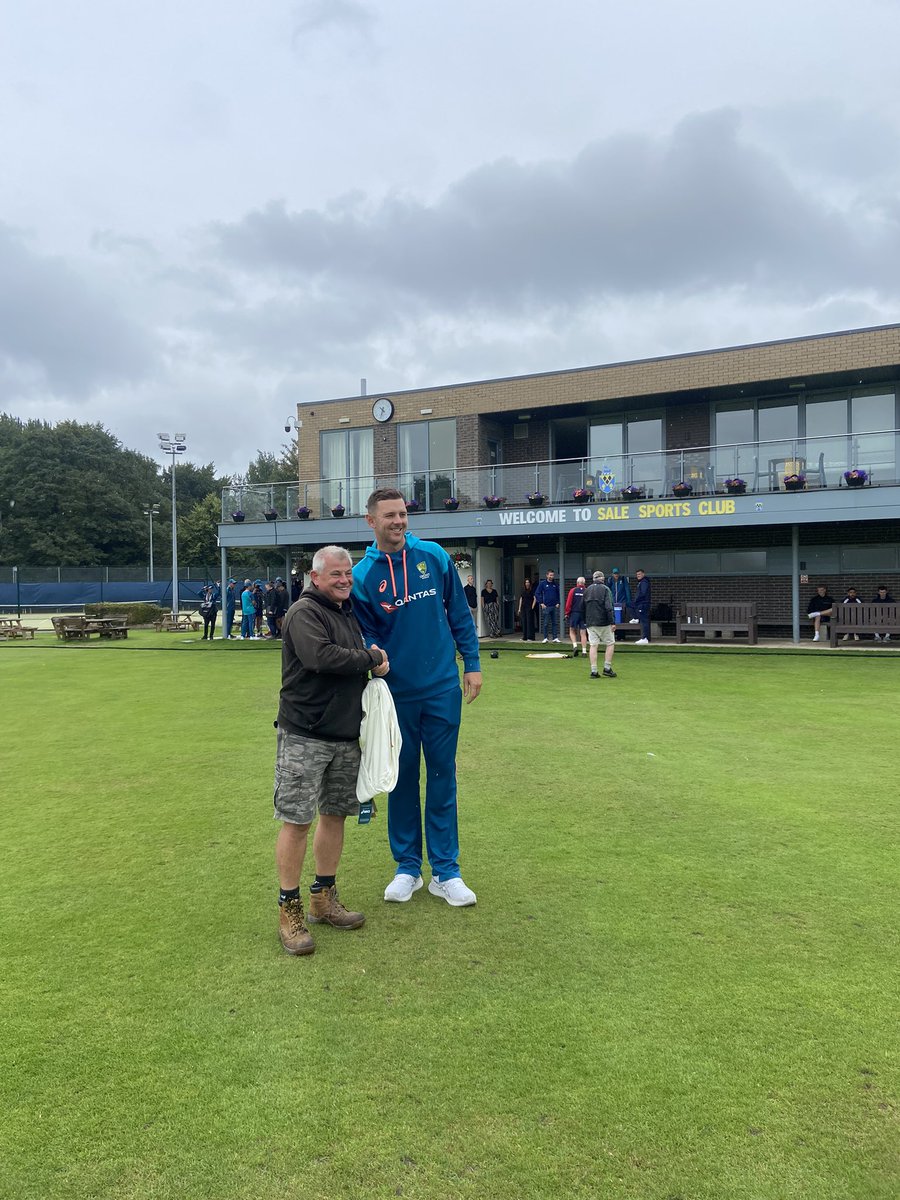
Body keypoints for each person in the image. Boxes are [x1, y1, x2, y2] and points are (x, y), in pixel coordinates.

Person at [352, 487, 482, 907]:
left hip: (443, 686)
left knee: (443, 777)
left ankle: (447, 872)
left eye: (403, 513)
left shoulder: (435, 557)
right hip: (396, 696)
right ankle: (407, 867)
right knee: (403, 779)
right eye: (389, 515)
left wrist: (473, 664)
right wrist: (375, 656)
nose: (399, 521)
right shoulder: (362, 576)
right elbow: (364, 632)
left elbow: (459, 613)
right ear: (371, 521)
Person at [274, 545, 389, 955]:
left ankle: (324, 897)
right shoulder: (304, 612)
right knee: (296, 821)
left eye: (348, 574)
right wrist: (371, 657)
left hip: (344, 735)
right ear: (316, 577)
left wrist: (369, 658)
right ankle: (289, 908)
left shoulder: (345, 611)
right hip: (305, 734)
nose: (344, 580)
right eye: (336, 574)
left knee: (335, 815)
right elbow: (319, 657)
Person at [584, 570, 617, 677]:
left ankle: (594, 671)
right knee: (610, 643)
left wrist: (585, 621)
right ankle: (607, 668)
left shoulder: (587, 590)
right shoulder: (606, 589)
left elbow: (582, 607)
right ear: (602, 579)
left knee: (593, 645)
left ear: (593, 579)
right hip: (604, 622)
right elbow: (609, 607)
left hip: (590, 623)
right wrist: (612, 622)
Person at [534, 569, 561, 642]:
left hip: (554, 606)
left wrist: (558, 602)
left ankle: (555, 638)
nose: (552, 576)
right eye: (550, 575)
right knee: (546, 623)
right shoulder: (542, 584)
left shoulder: (555, 584)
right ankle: (545, 638)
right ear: (547, 575)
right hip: (546, 606)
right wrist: (541, 603)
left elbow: (559, 594)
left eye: (553, 575)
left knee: (554, 623)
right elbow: (537, 593)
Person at [565, 577, 588, 657]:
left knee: (571, 630)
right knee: (583, 633)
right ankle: (584, 651)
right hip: (584, 614)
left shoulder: (573, 590)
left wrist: (567, 613)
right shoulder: (587, 591)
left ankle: (575, 646)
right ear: (584, 583)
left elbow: (569, 603)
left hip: (574, 613)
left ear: (577, 583)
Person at [633, 569, 652, 644]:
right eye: (637, 575)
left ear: (643, 574)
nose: (638, 576)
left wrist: (637, 600)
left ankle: (645, 638)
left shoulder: (644, 582)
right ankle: (636, 617)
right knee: (644, 621)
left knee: (644, 621)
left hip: (643, 604)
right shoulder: (642, 582)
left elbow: (643, 593)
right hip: (642, 604)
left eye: (639, 574)